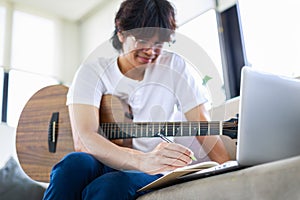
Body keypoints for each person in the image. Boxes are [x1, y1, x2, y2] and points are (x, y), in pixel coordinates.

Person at [43, 0, 230, 199]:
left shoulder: (174, 66)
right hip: (105, 161)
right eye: (142, 40)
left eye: (158, 43)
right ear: (121, 32)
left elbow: (200, 122)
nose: (150, 51)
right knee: (72, 165)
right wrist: (140, 159)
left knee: (110, 186)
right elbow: (84, 139)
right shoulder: (93, 71)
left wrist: (227, 169)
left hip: (152, 170)